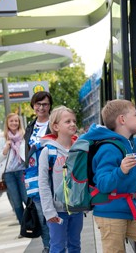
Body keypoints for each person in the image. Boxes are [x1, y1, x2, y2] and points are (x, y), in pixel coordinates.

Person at [85, 99, 136, 253]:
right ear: (122, 119)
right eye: (135, 115)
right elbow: (102, 183)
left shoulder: (125, 144)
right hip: (110, 214)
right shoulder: (109, 148)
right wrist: (121, 171)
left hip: (126, 210)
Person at [38, 106, 83, 253]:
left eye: (74, 121)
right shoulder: (48, 152)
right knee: (57, 247)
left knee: (75, 245)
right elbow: (43, 184)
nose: (73, 124)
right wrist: (49, 211)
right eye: (67, 121)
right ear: (56, 126)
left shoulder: (79, 150)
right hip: (57, 211)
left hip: (76, 209)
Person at [24, 91, 53, 253]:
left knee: (54, 211)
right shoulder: (30, 126)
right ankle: (48, 246)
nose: (41, 107)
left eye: (45, 104)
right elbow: (27, 153)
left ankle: (57, 244)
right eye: (38, 104)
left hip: (52, 174)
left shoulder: (54, 123)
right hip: (34, 176)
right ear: (33, 106)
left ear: (49, 106)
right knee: (41, 214)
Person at [0, 113, 27, 228]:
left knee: (26, 199)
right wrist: (6, 148)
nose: (14, 123)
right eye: (11, 121)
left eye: (16, 121)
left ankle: (33, 224)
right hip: (9, 174)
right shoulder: (3, 139)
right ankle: (24, 228)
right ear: (7, 124)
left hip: (22, 171)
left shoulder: (24, 136)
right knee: (16, 202)